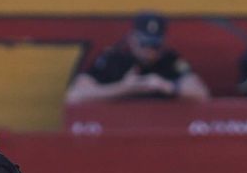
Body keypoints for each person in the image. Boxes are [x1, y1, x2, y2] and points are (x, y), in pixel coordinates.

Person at [64, 11, 210, 104]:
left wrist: (166, 86)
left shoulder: (169, 60)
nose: (150, 51)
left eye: (155, 45)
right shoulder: (113, 59)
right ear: (132, 39)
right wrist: (124, 88)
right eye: (144, 44)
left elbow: (200, 93)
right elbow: (75, 96)